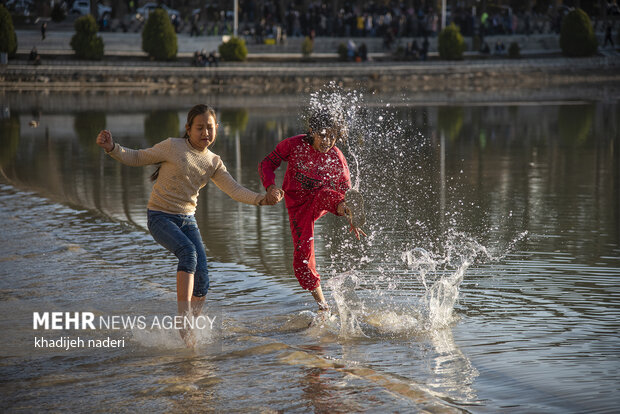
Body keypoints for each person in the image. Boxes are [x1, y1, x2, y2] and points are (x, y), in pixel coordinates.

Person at [96, 104, 282, 345]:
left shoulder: (213, 161)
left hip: (187, 220)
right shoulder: (173, 146)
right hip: (160, 216)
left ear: (217, 129)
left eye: (210, 128)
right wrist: (112, 148)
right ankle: (183, 320)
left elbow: (234, 190)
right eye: (200, 127)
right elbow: (139, 156)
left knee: (203, 280)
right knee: (188, 253)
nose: (205, 132)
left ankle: (189, 331)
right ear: (188, 129)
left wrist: (262, 199)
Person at [258, 109, 366, 314]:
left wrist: (351, 214)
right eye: (323, 135)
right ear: (311, 131)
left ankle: (344, 210)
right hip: (297, 206)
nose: (328, 141)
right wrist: (270, 186)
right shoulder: (293, 145)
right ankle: (323, 307)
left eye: (333, 136)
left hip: (321, 200)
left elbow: (346, 191)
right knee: (303, 259)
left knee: (326, 194)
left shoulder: (336, 158)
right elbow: (267, 163)